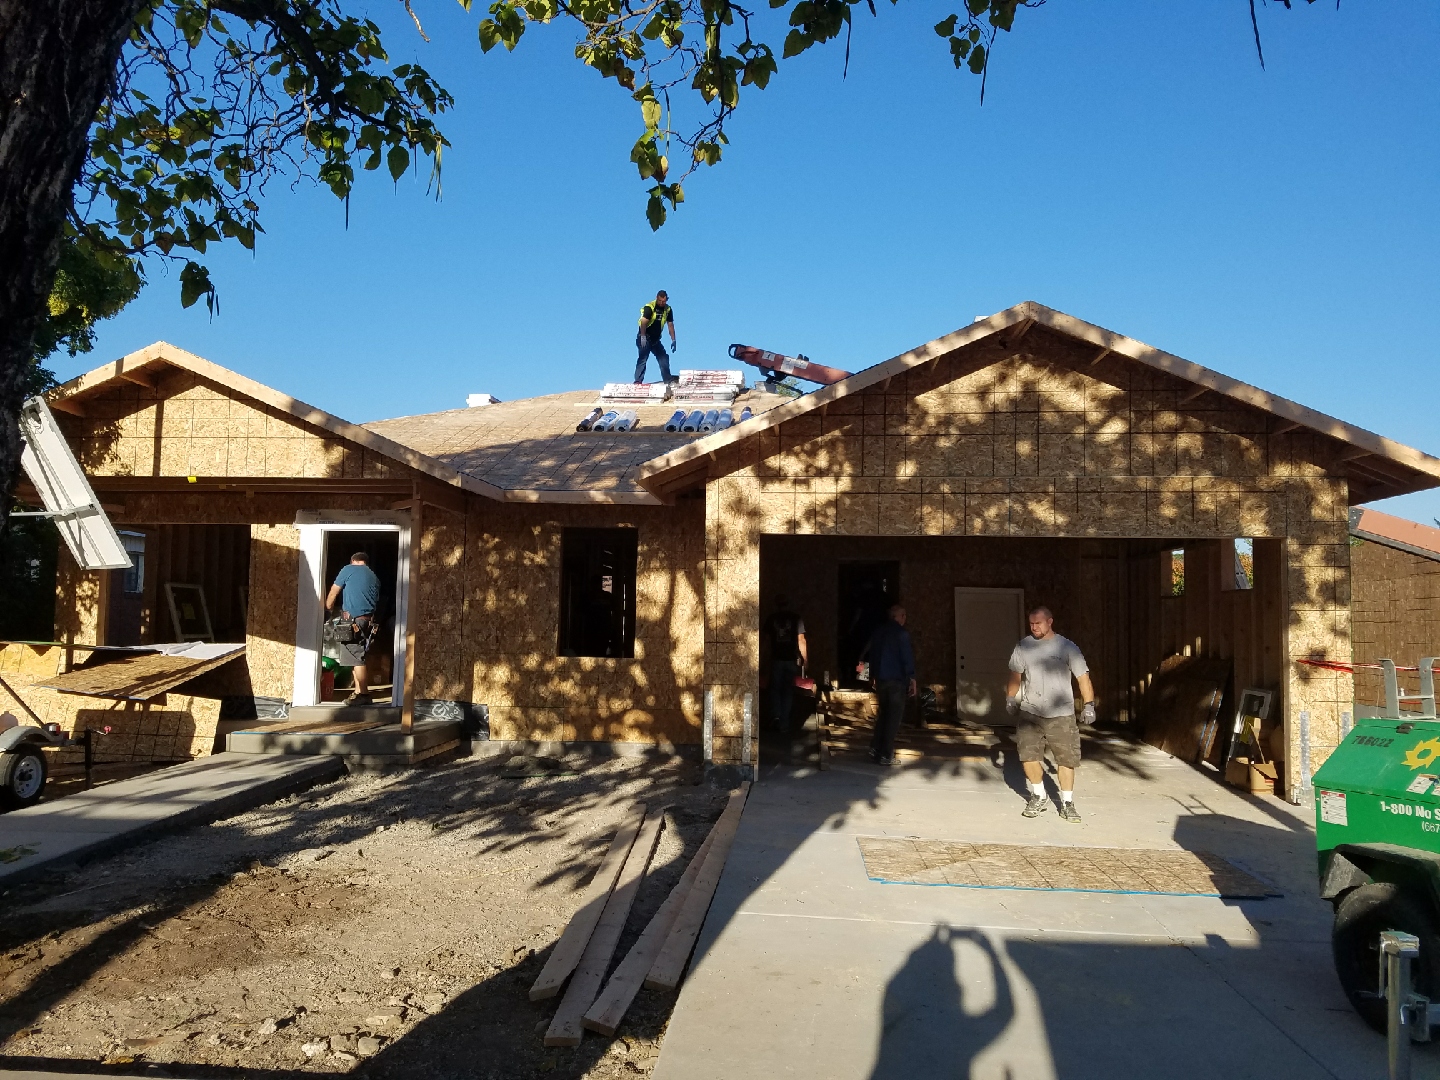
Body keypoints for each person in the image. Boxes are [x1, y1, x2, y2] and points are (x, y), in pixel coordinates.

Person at [1005, 605, 1096, 823]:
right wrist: (1010, 697)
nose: (1034, 627)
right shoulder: (1023, 647)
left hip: (1061, 713)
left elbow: (1082, 678)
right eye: (1031, 624)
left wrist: (1089, 705)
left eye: (1038, 623)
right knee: (1028, 756)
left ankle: (1067, 802)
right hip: (1030, 711)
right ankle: (1038, 795)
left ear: (1050, 622)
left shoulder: (1067, 648)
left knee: (1066, 758)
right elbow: (1015, 675)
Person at [861, 604, 916, 766]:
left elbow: (872, 654)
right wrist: (912, 678)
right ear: (897, 617)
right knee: (893, 718)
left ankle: (875, 748)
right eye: (903, 615)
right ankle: (886, 755)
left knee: (883, 715)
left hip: (881, 680)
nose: (905, 618)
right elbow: (907, 658)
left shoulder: (879, 632)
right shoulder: (902, 634)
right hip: (896, 681)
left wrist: (872, 676)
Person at [325, 551, 382, 706]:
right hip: (367, 622)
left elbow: (334, 591)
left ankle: (364, 694)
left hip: (352, 622)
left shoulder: (348, 569)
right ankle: (358, 692)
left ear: (353, 561)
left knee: (356, 658)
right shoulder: (373, 577)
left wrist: (327, 609)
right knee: (356, 657)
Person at [764, 596, 808, 744]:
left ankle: (775, 717)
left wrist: (762, 659)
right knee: (787, 690)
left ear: (777, 605)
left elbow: (765, 641)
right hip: (790, 660)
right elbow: (801, 640)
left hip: (776, 659)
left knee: (775, 689)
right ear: (788, 604)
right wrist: (805, 659)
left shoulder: (772, 619)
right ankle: (784, 724)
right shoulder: (796, 618)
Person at [634, 290, 678, 384]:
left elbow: (670, 325)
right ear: (657, 298)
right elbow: (643, 323)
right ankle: (638, 381)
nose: (662, 303)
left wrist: (673, 339)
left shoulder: (668, 310)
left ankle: (667, 379)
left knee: (663, 357)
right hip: (645, 336)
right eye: (660, 301)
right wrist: (642, 337)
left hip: (655, 340)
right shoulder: (650, 307)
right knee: (643, 357)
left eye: (664, 301)